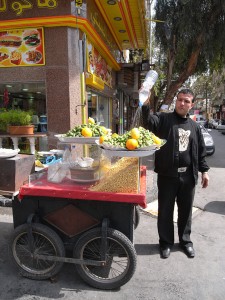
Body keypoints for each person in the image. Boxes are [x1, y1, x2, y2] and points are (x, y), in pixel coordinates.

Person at [142, 88, 209, 259]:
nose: (182, 103)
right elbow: (149, 121)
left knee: (186, 212)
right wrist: (145, 101)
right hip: (167, 175)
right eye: (180, 100)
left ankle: (185, 242)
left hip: (188, 176)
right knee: (165, 211)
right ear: (176, 101)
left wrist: (204, 171)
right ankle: (165, 243)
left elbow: (200, 151)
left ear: (191, 105)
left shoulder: (195, 127)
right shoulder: (164, 119)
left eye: (187, 101)